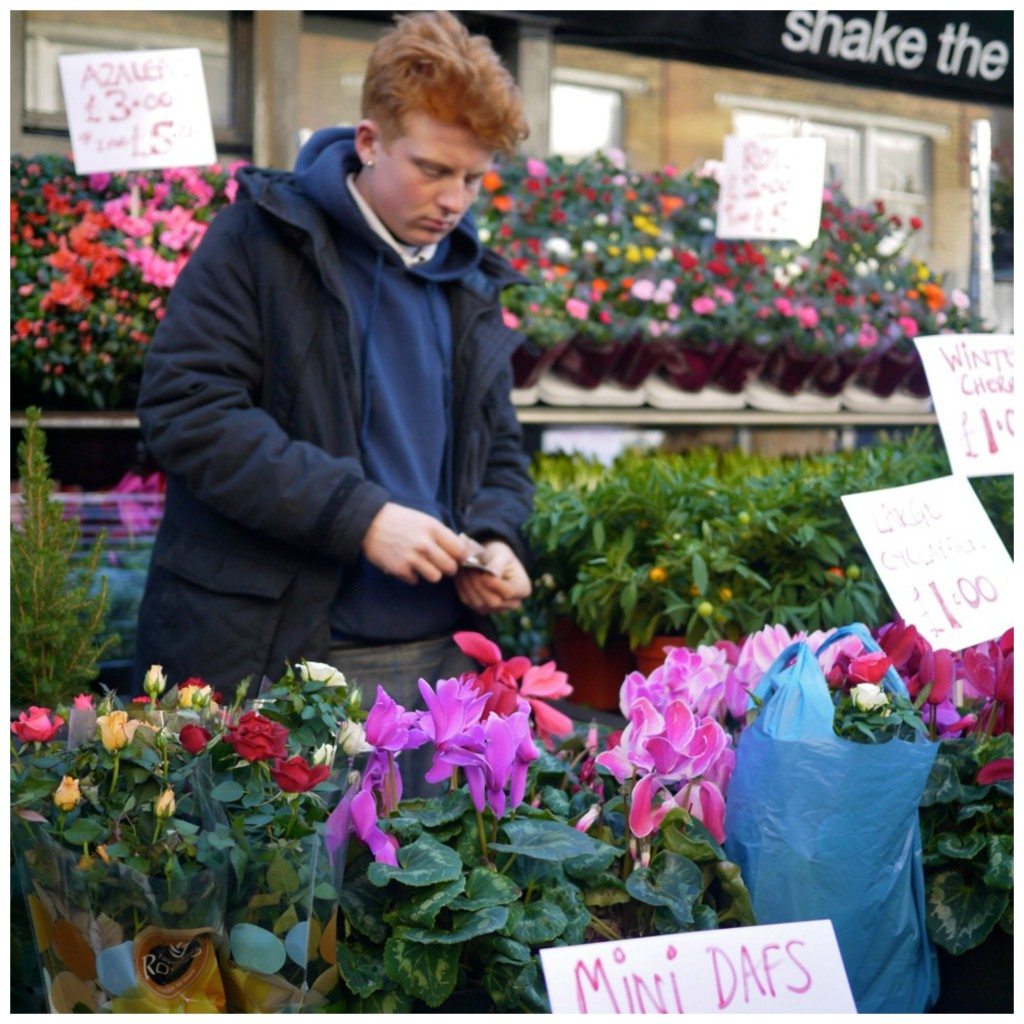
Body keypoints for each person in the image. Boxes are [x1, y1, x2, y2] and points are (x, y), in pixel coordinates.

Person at [133, 11, 534, 736]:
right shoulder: (258, 240)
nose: (455, 201)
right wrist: (363, 518)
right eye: (433, 169)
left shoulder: (469, 283)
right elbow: (188, 409)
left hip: (440, 662)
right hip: (271, 657)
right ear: (369, 141)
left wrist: (495, 537)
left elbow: (501, 450)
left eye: (474, 178)